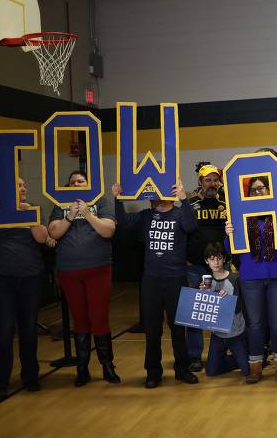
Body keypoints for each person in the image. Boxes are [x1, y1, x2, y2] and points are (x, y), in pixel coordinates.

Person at [113, 179, 199, 388]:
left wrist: (184, 199)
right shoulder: (146, 216)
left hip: (175, 278)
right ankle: (153, 372)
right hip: (151, 280)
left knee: (178, 327)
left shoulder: (179, 213)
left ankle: (182, 369)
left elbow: (191, 225)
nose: (151, 196)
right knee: (152, 329)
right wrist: (117, 199)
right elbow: (124, 222)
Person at [0, 178, 48, 399]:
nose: (24, 189)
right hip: (2, 278)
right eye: (19, 186)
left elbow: (42, 237)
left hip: (30, 277)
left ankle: (30, 376)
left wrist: (30, 217)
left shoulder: (33, 210)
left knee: (28, 328)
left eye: (25, 185)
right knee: (5, 330)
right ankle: (0, 381)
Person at [48, 170, 119, 387]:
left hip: (98, 269)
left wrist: (88, 214)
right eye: (73, 182)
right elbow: (53, 232)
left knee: (99, 317)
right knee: (80, 319)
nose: (77, 184)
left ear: (89, 184)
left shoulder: (102, 200)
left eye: (81, 181)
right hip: (69, 272)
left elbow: (108, 230)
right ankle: (82, 368)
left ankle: (108, 367)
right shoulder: (60, 203)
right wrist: (69, 215)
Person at [224, 176, 277, 384]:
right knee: (255, 324)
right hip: (251, 277)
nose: (258, 193)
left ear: (269, 190)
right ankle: (255, 366)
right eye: (254, 190)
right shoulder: (241, 216)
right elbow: (230, 249)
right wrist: (229, 233)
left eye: (262, 188)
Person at [185, 164, 228, 372]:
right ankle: (194, 357)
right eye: (207, 180)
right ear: (200, 182)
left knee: (223, 313)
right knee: (195, 314)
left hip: (221, 268)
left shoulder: (226, 204)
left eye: (214, 180)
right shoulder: (190, 203)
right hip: (195, 267)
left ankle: (222, 353)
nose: (211, 184)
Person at [201, 242, 249, 378]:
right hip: (217, 334)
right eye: (211, 259)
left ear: (224, 259)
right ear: (206, 261)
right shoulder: (206, 282)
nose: (215, 262)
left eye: (219, 258)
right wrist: (202, 295)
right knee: (211, 371)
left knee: (247, 371)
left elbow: (239, 307)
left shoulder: (234, 279)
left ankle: (248, 359)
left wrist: (227, 299)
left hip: (236, 333)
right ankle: (237, 361)